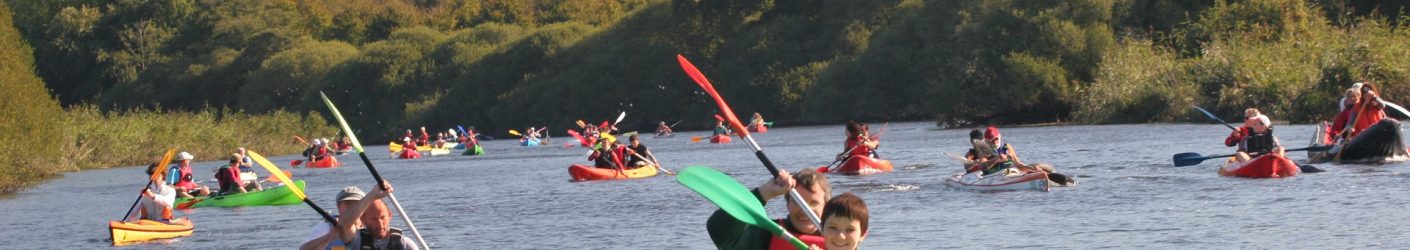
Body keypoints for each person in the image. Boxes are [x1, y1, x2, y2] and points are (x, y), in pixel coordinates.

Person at [708, 169, 830, 249]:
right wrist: (764, 193)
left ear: (827, 206)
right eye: (798, 202)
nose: (804, 211)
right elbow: (719, 230)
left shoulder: (839, 239)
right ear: (787, 204)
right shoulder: (764, 236)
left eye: (814, 203)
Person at [334, 182, 419, 250]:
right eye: (373, 219)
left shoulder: (405, 244)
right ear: (363, 219)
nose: (380, 223)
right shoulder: (355, 240)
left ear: (389, 215)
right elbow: (343, 225)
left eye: (383, 218)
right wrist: (372, 195)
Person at [301, 187, 366, 250]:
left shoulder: (370, 227)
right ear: (338, 207)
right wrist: (330, 236)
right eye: (348, 203)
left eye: (357, 203)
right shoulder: (326, 228)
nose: (353, 206)